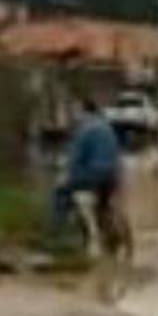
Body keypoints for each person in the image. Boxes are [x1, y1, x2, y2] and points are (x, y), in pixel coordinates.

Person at [52, 98, 125, 252]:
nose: (75, 116)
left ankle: (58, 232)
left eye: (77, 112)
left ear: (84, 112)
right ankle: (108, 228)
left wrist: (65, 174)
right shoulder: (107, 127)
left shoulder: (84, 130)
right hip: (112, 176)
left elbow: (75, 158)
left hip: (92, 176)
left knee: (59, 191)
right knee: (102, 203)